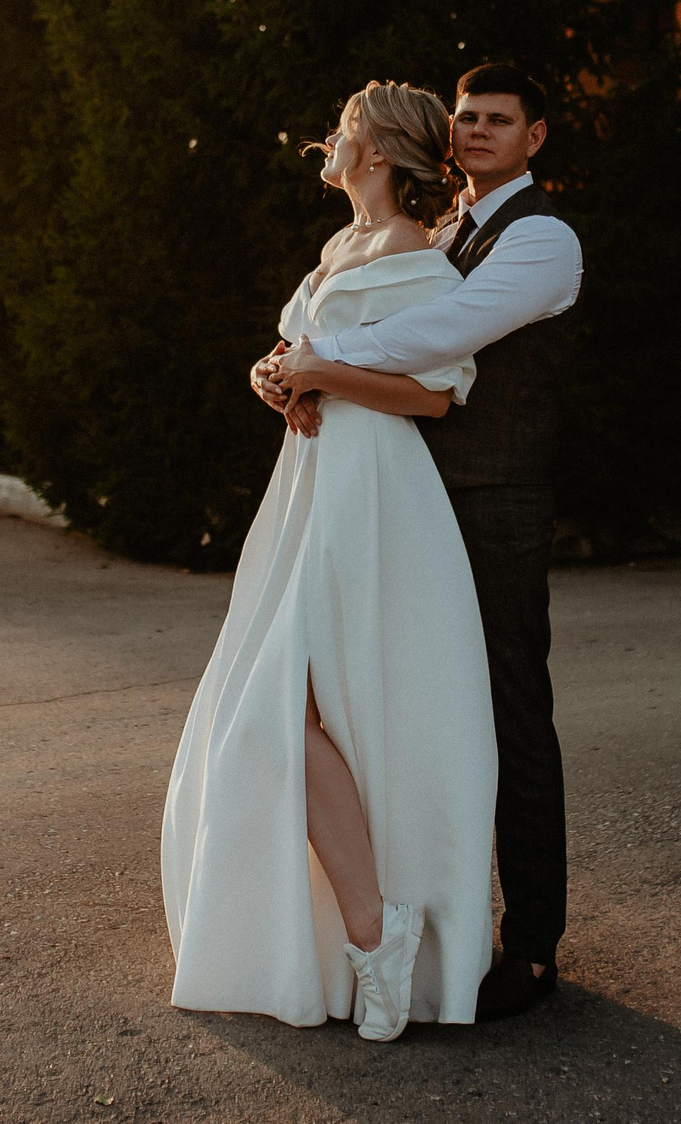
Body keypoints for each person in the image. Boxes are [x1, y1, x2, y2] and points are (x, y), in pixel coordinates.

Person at [161, 82, 498, 1041]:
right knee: (278, 704)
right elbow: (301, 354)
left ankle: (377, 935)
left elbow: (435, 393)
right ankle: (368, 931)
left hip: (373, 492)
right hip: (307, 482)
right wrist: (274, 375)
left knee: (290, 702)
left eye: (347, 127)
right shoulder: (338, 248)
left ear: (379, 151)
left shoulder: (414, 256)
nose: (331, 137)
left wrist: (320, 372)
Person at [264, 61, 582, 1023]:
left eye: (499, 120)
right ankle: (430, 922)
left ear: (535, 137)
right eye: (466, 117)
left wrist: (316, 363)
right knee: (403, 711)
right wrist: (285, 371)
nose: (476, 131)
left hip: (495, 505)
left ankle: (532, 946)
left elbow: (440, 335)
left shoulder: (543, 239)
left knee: (511, 714)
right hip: (403, 500)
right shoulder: (437, 235)